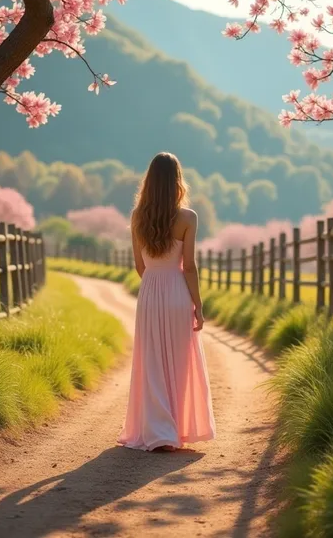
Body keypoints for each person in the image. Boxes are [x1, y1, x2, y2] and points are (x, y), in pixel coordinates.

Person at [118, 152, 216, 452]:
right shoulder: (188, 218)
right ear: (177, 181)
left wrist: (153, 284)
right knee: (179, 361)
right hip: (176, 292)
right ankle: (176, 428)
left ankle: (157, 430)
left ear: (149, 181)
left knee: (151, 362)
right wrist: (197, 305)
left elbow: (139, 265)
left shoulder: (137, 216)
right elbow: (188, 266)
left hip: (150, 292)